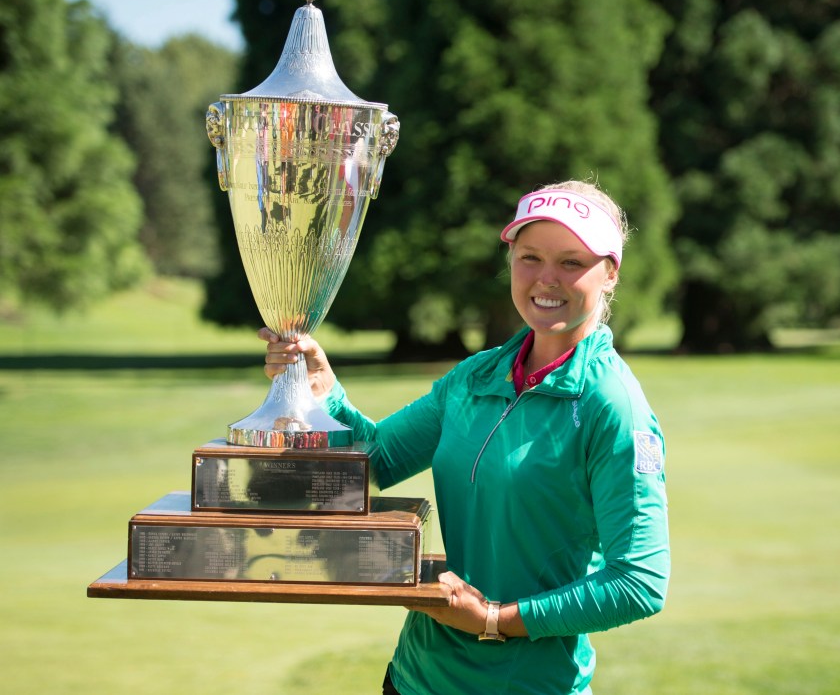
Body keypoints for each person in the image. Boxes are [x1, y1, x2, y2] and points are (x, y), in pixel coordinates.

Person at [260, 180, 670, 695]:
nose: (546, 279)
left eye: (571, 262)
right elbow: (376, 461)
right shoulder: (476, 377)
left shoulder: (612, 405)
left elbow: (640, 582)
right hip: (415, 678)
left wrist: (494, 619)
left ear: (609, 273)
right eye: (530, 257)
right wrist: (322, 390)